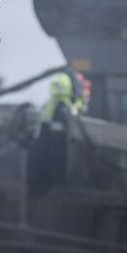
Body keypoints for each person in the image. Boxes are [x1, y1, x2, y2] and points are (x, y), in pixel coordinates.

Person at [28, 70, 87, 198]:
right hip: (50, 168)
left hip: (39, 167)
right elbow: (56, 152)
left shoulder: (49, 106)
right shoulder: (63, 109)